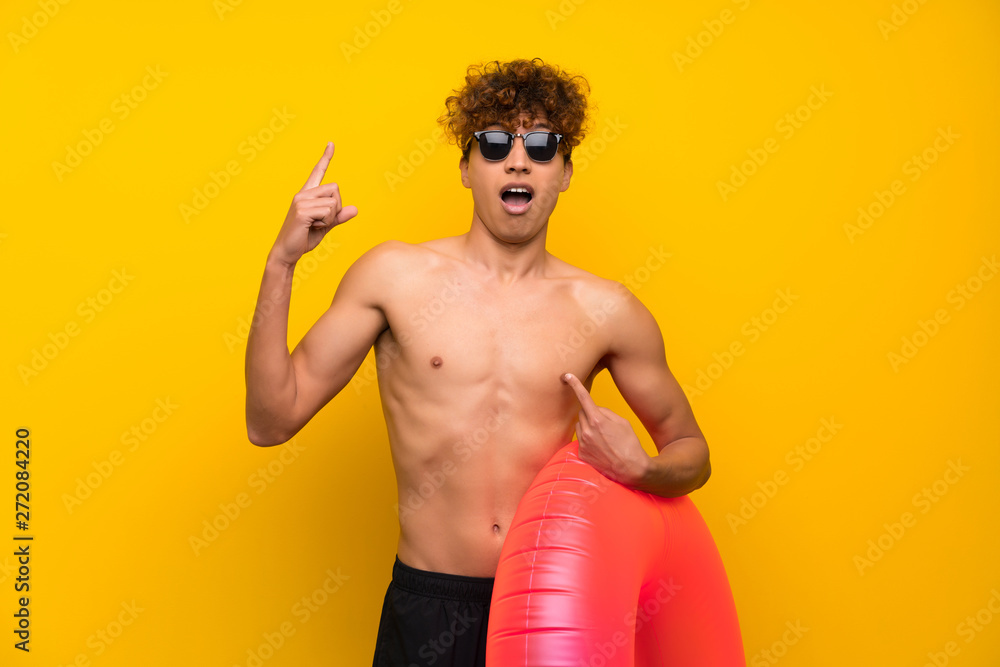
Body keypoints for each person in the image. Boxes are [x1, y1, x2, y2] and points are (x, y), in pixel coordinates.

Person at [244, 58, 725, 666]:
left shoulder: (607, 310)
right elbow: (270, 421)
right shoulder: (394, 276)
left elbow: (691, 452)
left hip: (556, 611)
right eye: (494, 144)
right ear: (467, 170)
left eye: (542, 146)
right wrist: (280, 264)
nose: (517, 161)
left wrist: (640, 469)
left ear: (566, 172)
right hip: (428, 608)